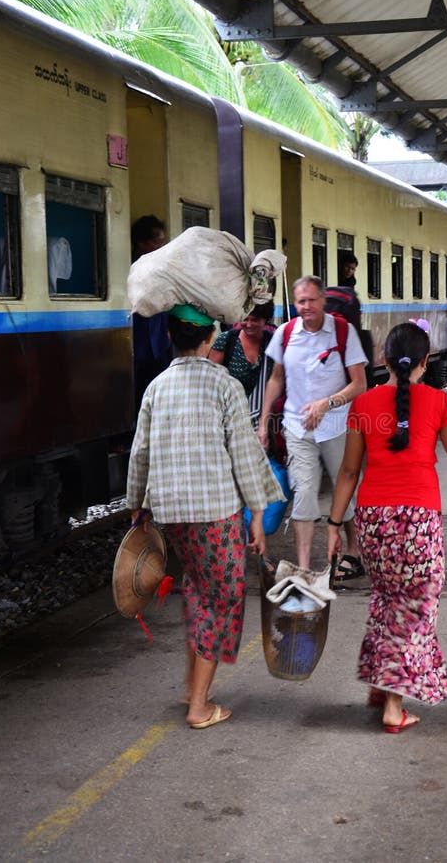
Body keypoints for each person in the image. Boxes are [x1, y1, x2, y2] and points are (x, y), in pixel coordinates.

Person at [327, 322, 447, 733]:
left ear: (384, 361)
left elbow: (347, 472)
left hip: (373, 520)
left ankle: (381, 681)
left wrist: (334, 524)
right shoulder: (439, 404)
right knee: (413, 611)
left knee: (387, 599)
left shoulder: (365, 405)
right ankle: (393, 704)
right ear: (427, 361)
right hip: (417, 523)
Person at [127, 304, 285, 730]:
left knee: (198, 588)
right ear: (210, 339)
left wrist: (137, 507)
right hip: (214, 512)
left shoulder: (156, 387)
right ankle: (199, 706)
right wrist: (257, 511)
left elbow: (139, 452)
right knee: (222, 599)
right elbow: (245, 454)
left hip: (172, 512)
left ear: (169, 338)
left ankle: (190, 686)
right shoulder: (224, 384)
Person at [258, 275, 368, 580]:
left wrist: (326, 403)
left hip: (337, 425)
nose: (306, 307)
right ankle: (304, 567)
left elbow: (360, 383)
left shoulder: (343, 332)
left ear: (322, 301)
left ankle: (353, 551)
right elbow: (277, 378)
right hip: (297, 426)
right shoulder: (286, 332)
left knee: (344, 489)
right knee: (304, 492)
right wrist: (265, 420)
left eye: (311, 300)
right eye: (300, 301)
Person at [208, 301, 275, 429]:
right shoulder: (226, 341)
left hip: (265, 423)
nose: (249, 324)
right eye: (245, 319)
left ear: (265, 319)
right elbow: (212, 382)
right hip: (230, 420)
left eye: (255, 320)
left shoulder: (273, 342)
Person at [131, 215, 171, 413]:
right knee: (138, 390)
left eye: (162, 242)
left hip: (159, 342)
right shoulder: (130, 267)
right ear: (141, 242)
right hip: (138, 342)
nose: (160, 247)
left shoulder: (161, 268)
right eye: (156, 242)